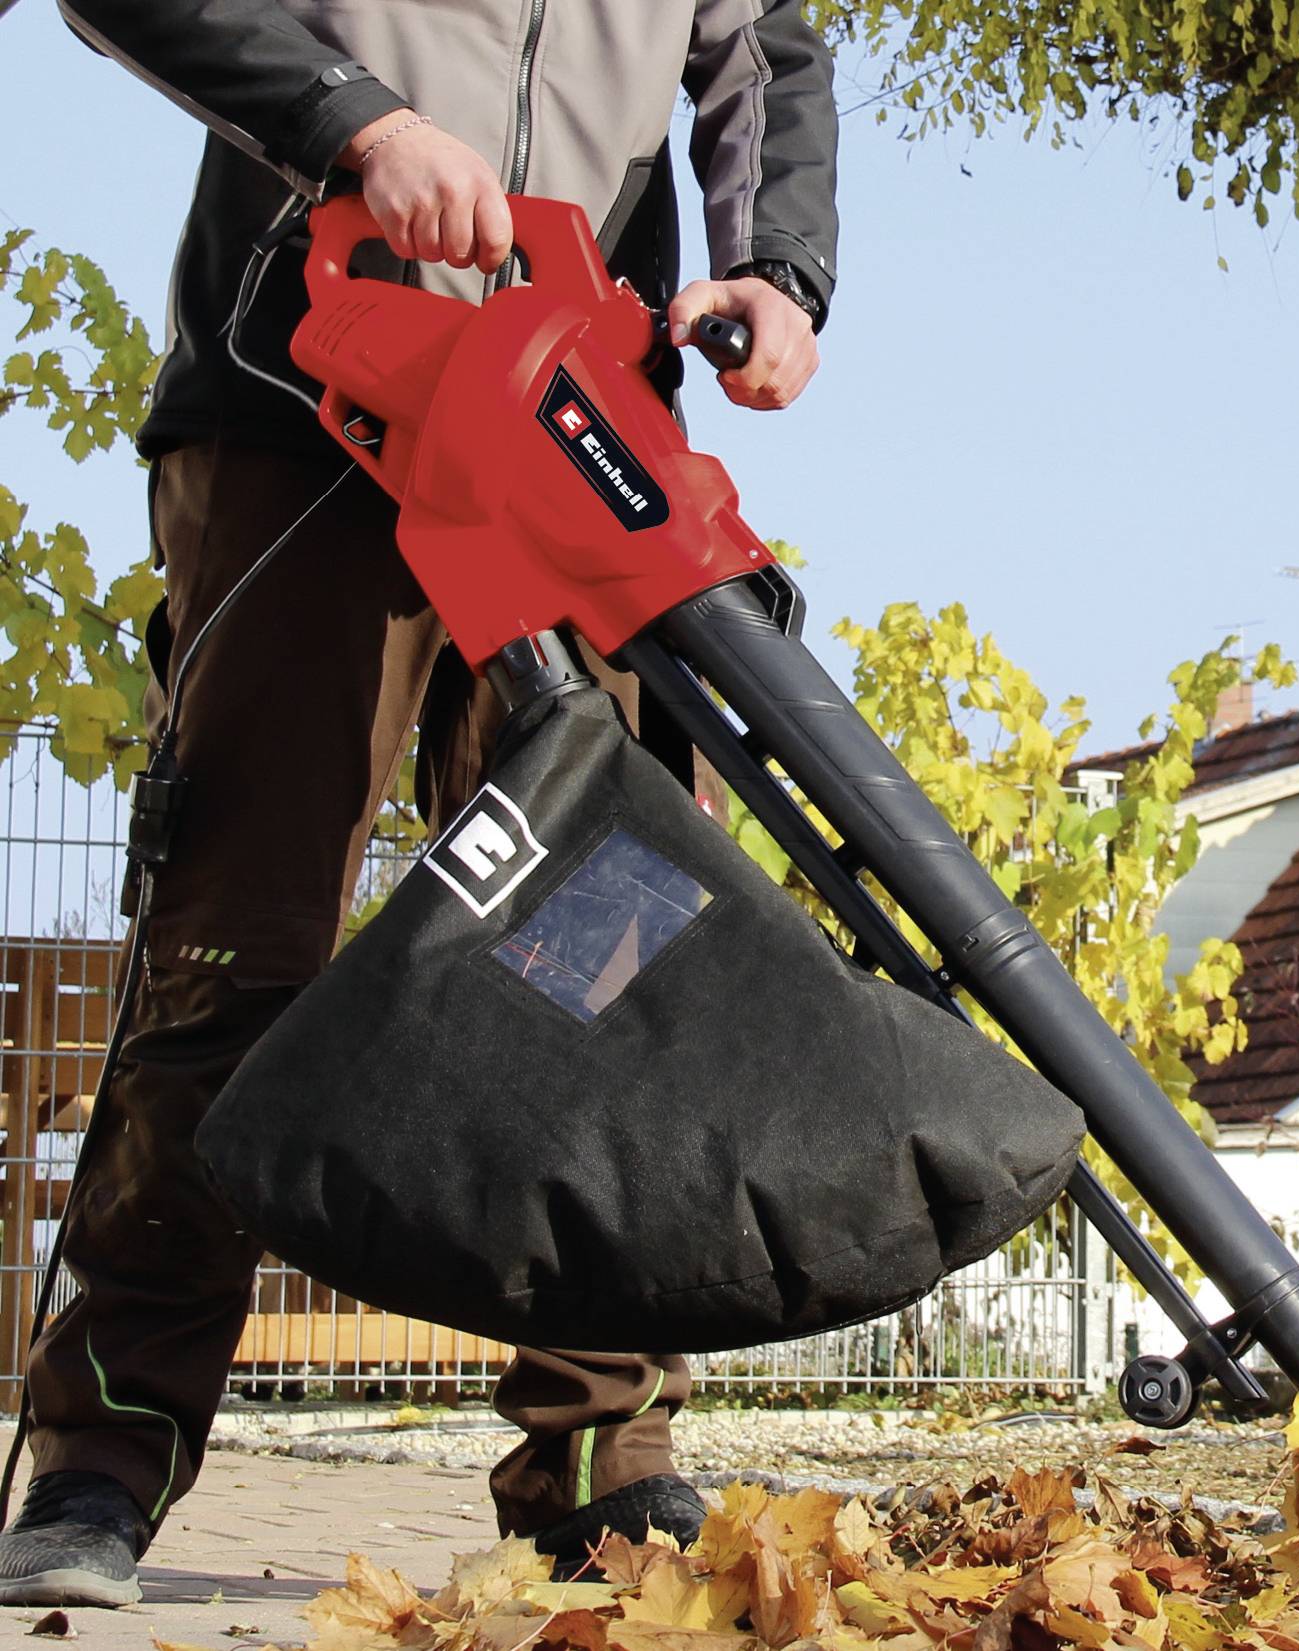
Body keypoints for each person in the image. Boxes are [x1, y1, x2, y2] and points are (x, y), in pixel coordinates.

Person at [0, 0, 838, 1610]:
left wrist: (774, 268)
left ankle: (603, 1460)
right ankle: (103, 1456)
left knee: (613, 956)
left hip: (580, 418)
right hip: (308, 396)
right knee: (237, 946)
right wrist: (358, 126)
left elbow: (768, 52)